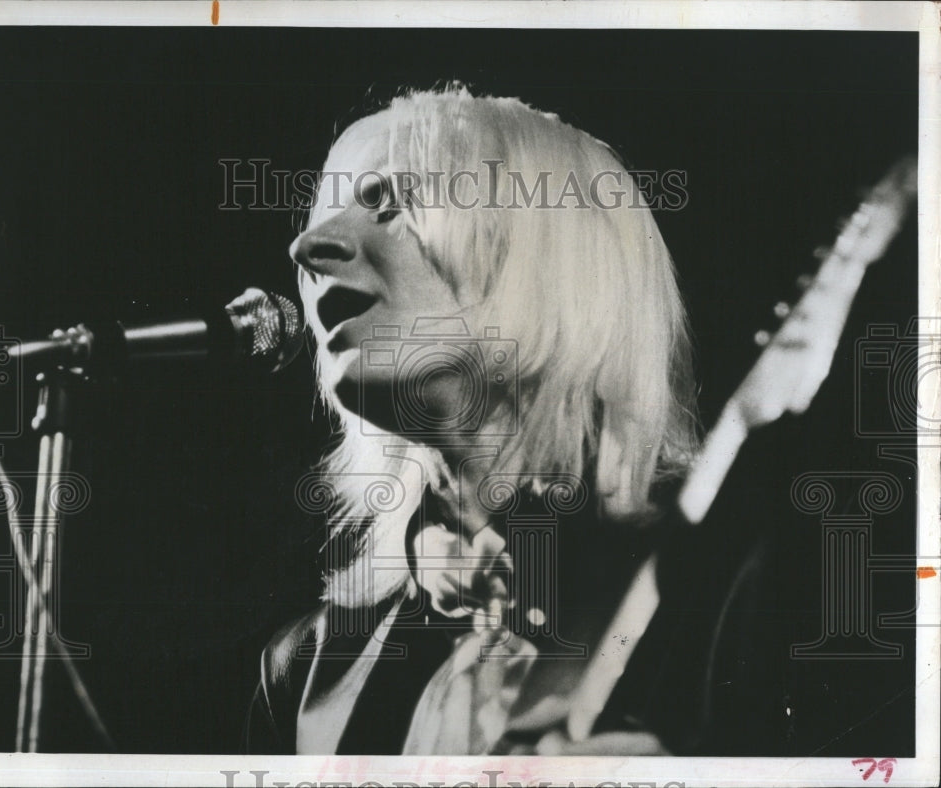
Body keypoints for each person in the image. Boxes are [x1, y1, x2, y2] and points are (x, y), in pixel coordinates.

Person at [245, 86, 777, 756]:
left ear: (547, 253)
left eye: (390, 205)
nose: (306, 245)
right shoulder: (305, 667)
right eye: (327, 213)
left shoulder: (746, 578)